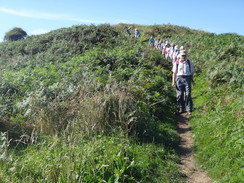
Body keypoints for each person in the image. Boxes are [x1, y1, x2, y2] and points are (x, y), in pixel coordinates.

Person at [172, 50, 195, 115]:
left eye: (184, 55)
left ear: (186, 56)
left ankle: (188, 109)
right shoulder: (177, 63)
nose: (183, 57)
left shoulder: (189, 62)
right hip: (179, 79)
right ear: (180, 56)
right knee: (180, 94)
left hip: (187, 78)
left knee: (188, 94)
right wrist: (173, 82)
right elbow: (174, 73)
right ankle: (181, 108)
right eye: (182, 55)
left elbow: (192, 72)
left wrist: (192, 80)